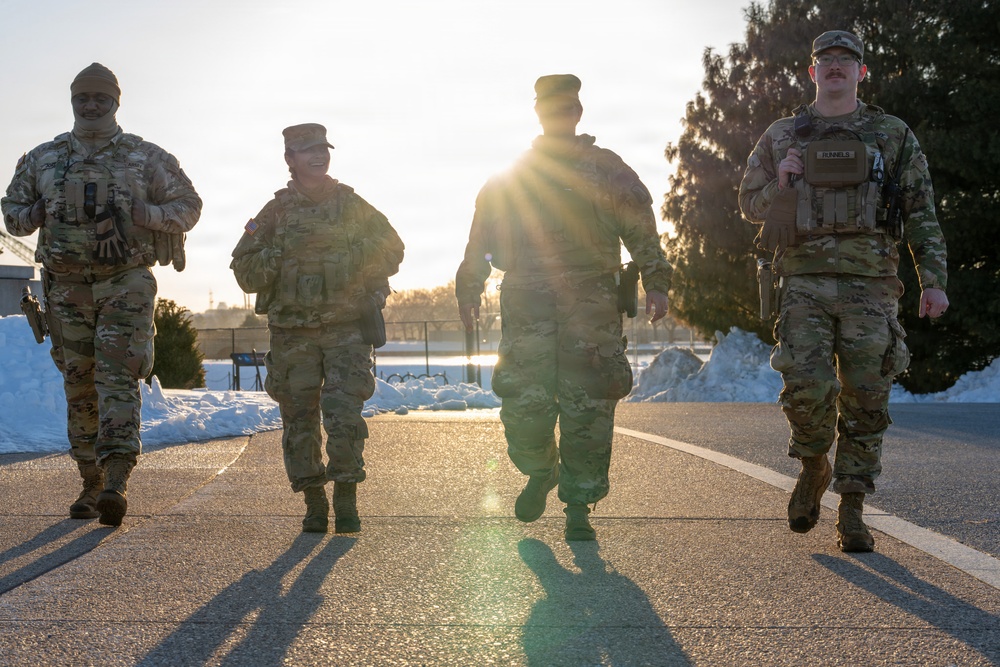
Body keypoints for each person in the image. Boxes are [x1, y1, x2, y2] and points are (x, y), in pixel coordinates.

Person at [738, 31, 949, 552]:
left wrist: (934, 280)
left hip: (872, 286)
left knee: (867, 396)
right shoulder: (782, 135)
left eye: (846, 60)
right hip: (803, 282)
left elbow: (921, 210)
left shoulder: (891, 133)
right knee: (804, 386)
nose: (835, 67)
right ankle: (814, 464)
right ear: (812, 72)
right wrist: (780, 182)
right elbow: (749, 206)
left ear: (861, 72)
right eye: (826, 60)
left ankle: (852, 508)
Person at [456, 75, 672, 542]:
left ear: (578, 113)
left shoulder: (607, 168)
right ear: (538, 113)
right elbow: (481, 238)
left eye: (567, 108)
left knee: (588, 409)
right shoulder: (511, 176)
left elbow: (641, 229)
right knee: (523, 409)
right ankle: (542, 470)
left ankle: (578, 506)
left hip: (591, 306)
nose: (559, 116)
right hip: (527, 304)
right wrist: (468, 288)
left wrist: (657, 281)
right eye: (550, 109)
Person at [2, 63, 202, 527]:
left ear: (116, 101)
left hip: (124, 281)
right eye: (83, 98)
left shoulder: (146, 157)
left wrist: (147, 213)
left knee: (117, 377)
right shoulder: (43, 158)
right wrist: (34, 212)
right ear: (73, 101)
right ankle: (90, 481)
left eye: (101, 98)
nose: (91, 105)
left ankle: (116, 478)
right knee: (79, 383)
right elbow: (11, 213)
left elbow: (188, 206)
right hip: (66, 286)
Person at [231, 123, 404, 534]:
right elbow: (244, 270)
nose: (318, 155)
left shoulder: (352, 205)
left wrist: (351, 259)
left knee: (344, 414)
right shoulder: (273, 213)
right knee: (299, 419)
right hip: (292, 333)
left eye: (323, 148)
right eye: (308, 150)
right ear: (290, 158)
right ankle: (313, 501)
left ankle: (346, 496)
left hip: (347, 328)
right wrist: (280, 255)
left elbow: (393, 248)